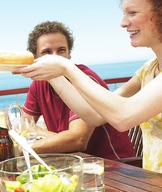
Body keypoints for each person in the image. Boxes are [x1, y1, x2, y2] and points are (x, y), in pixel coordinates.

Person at [15, 0, 162, 173]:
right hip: (154, 187)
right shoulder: (148, 69)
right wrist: (53, 75)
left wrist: (65, 67)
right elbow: (96, 116)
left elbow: (123, 117)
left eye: (132, 13)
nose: (123, 23)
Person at [20, 21, 135, 160]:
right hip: (72, 161)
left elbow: (78, 140)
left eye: (61, 50)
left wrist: (23, 148)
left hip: (112, 165)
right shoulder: (39, 84)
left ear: (69, 54)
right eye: (47, 52)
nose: (54, 57)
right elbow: (25, 126)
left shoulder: (85, 80)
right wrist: (62, 140)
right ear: (35, 58)